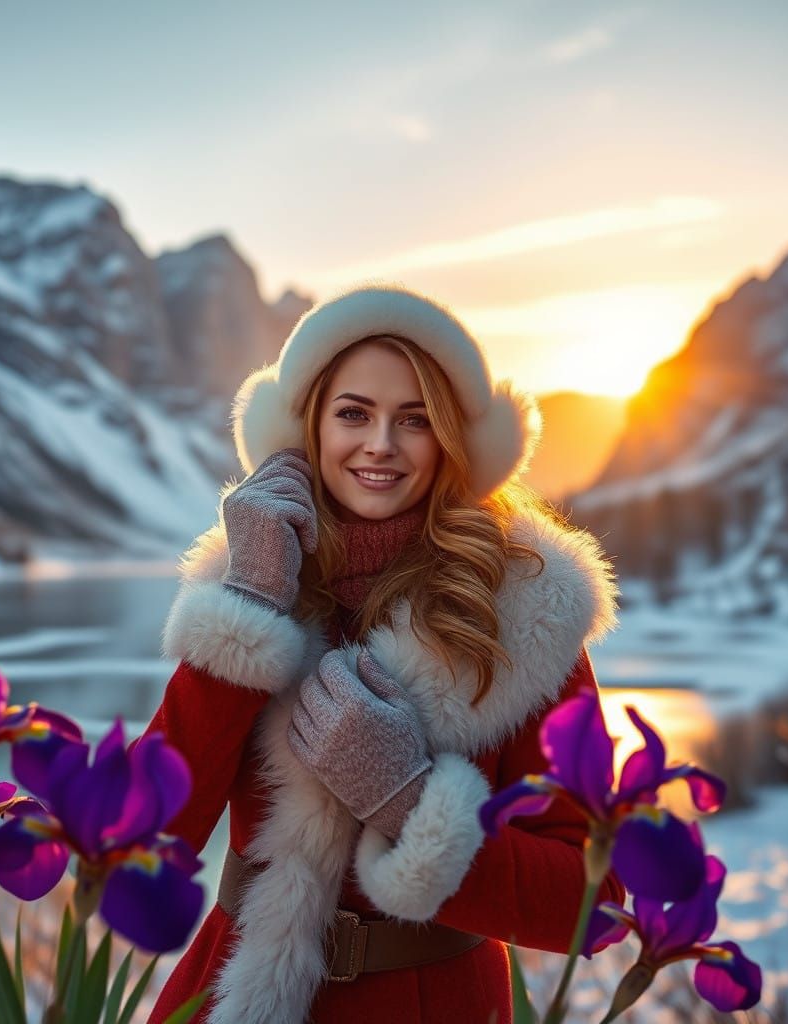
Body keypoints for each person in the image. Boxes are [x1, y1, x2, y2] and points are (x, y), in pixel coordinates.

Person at [145, 284, 622, 1024]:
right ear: (307, 427)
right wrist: (249, 606)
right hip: (237, 990)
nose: (380, 444)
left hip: (437, 1004)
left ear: (454, 440)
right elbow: (145, 839)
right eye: (353, 413)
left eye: (416, 419)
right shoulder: (247, 581)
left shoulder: (526, 608)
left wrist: (409, 801)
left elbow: (592, 906)